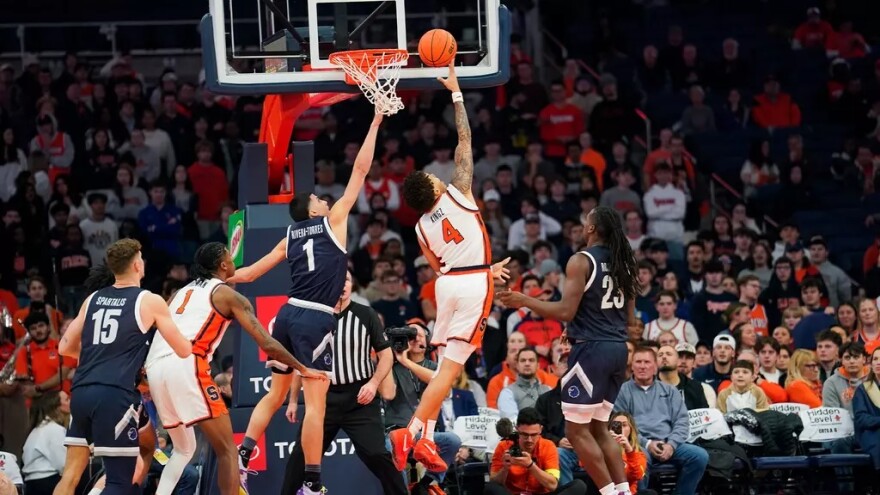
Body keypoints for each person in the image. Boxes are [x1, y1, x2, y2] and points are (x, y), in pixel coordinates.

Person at [230, 113, 383, 495]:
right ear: (313, 210)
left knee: (275, 394)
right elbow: (361, 170)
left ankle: (244, 453)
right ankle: (313, 483)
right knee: (317, 405)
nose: (322, 198)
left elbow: (247, 275)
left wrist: (216, 278)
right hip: (315, 320)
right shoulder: (334, 221)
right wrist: (376, 120)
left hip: (286, 314)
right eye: (316, 198)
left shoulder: (289, 236)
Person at [393, 61, 510, 474]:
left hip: (450, 284)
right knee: (451, 369)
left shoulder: (422, 227)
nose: (435, 174)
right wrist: (457, 91)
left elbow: (441, 266)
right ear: (434, 188)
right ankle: (414, 432)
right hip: (472, 284)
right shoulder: (459, 192)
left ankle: (419, 435)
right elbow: (465, 140)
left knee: (444, 369)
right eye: (431, 175)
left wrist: (482, 270)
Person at [145, 243, 324, 495]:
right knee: (228, 450)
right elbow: (267, 343)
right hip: (186, 364)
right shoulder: (227, 295)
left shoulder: (180, 292)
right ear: (222, 265)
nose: (233, 260)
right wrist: (301, 368)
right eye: (230, 256)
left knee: (184, 450)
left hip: (154, 367)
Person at [499, 205, 639, 495]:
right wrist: (580, 325)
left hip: (592, 352)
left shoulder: (581, 260)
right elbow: (628, 318)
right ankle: (623, 491)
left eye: (585, 221)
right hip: (617, 349)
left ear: (590, 229)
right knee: (601, 428)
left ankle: (610, 493)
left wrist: (524, 300)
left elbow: (564, 309)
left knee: (576, 432)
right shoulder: (624, 262)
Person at [57, 239, 193, 495]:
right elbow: (184, 349)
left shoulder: (93, 298)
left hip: (82, 391)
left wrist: (100, 355)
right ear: (137, 265)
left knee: (70, 477)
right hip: (115, 395)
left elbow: (64, 347)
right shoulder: (149, 300)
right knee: (119, 481)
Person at [282, 271, 405, 495]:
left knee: (377, 454)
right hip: (323, 397)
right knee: (301, 454)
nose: (343, 285)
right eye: (338, 280)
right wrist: (292, 400)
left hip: (360, 397)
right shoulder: (314, 317)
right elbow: (302, 362)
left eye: (347, 280)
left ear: (352, 285)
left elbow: (386, 355)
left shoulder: (366, 314)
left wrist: (373, 383)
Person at [379, 322, 462, 491]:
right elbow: (388, 394)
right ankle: (401, 490)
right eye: (410, 335)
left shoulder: (436, 368)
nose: (415, 339)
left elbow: (442, 389)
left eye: (419, 336)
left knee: (453, 441)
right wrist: (389, 356)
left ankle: (425, 485)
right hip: (397, 432)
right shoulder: (392, 367)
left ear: (427, 342)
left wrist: (407, 362)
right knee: (389, 447)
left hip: (426, 435)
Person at [614, 347, 708, 495]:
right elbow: (621, 427)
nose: (642, 366)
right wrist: (648, 443)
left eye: (647, 362)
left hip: (668, 443)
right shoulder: (622, 392)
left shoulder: (670, 391)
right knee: (638, 462)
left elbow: (682, 421)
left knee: (699, 456)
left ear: (655, 366)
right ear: (632, 366)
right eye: (638, 362)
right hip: (639, 445)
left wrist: (671, 445)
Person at [487, 408, 587, 495]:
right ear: (517, 429)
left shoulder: (548, 446)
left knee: (579, 485)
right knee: (490, 488)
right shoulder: (504, 445)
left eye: (534, 435)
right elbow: (494, 482)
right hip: (513, 493)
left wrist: (531, 466)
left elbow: (553, 485)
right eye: (525, 435)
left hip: (541, 493)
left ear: (541, 430)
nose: (529, 440)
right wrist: (505, 468)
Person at [21, 392, 68, 495]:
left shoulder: (38, 429)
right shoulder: (54, 429)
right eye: (67, 400)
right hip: (48, 484)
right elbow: (64, 464)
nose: (71, 402)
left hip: (32, 485)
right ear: (56, 407)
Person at [498, 348, 552, 418]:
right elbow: (512, 422)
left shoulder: (548, 390)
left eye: (531, 360)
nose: (527, 364)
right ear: (517, 365)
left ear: (538, 365)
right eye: (523, 360)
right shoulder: (508, 393)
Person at [656, 345, 709, 410]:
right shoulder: (647, 387)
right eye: (660, 355)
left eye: (668, 354)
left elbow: (704, 414)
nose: (664, 357)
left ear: (677, 360)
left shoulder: (695, 387)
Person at [853, 346, 880, 470]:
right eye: (875, 359)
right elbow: (861, 419)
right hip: (872, 433)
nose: (878, 362)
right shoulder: (863, 389)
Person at [607, 412, 648, 495]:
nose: (620, 428)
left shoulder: (638, 453)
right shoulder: (602, 448)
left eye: (624, 425)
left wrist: (629, 450)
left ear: (631, 429)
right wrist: (605, 443)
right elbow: (584, 464)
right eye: (616, 425)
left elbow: (638, 475)